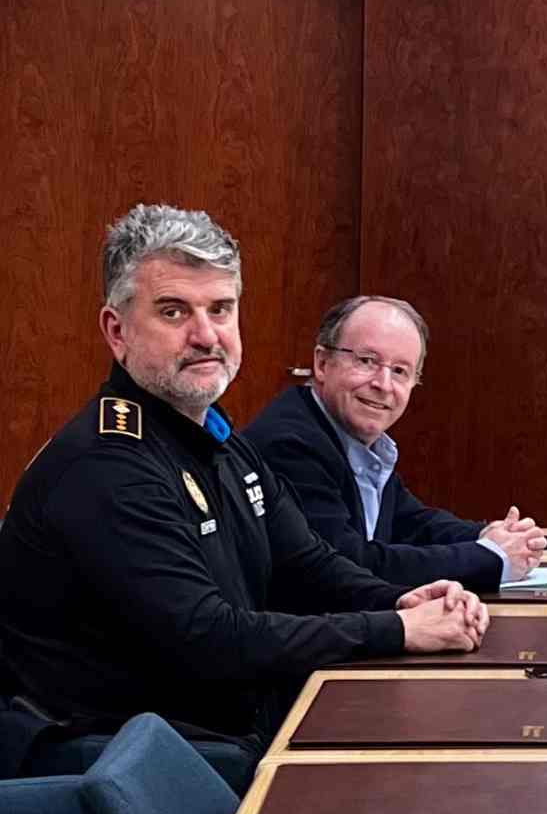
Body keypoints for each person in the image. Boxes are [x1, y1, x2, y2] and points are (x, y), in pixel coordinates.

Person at [0, 205, 488, 768]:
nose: (205, 335)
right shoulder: (106, 465)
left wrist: (399, 599)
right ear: (117, 331)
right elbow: (210, 639)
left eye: (221, 309)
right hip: (128, 763)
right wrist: (397, 628)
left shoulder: (215, 436)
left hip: (217, 728)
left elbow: (306, 563)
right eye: (173, 311)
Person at [244, 296, 547, 590]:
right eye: (366, 361)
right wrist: (491, 557)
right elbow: (348, 564)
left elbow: (408, 521)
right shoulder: (291, 444)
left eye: (400, 371)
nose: (383, 385)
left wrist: (487, 533)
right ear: (322, 364)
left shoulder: (353, 437)